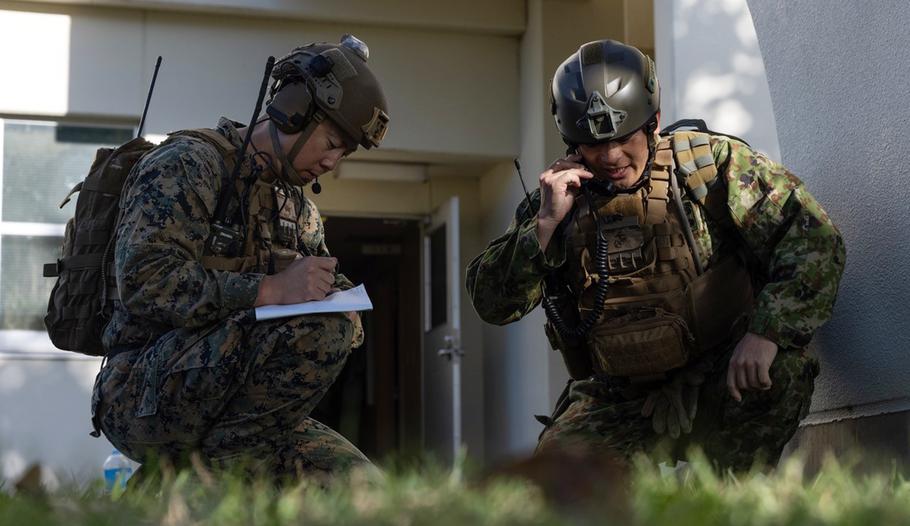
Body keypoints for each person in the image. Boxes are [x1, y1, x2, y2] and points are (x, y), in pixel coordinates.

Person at [466, 39, 845, 471]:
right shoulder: (556, 200)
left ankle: (735, 506)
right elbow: (491, 303)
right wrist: (546, 226)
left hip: (722, 374)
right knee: (554, 483)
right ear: (571, 143)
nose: (610, 156)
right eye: (592, 144)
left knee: (782, 375)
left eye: (624, 137)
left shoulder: (708, 166)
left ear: (654, 122)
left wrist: (767, 334)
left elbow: (814, 239)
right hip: (618, 396)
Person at [92, 35, 390, 479]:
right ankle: (219, 484)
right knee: (322, 329)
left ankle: (201, 476)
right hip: (140, 391)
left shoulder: (296, 208)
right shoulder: (189, 165)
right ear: (292, 110)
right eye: (330, 143)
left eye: (342, 154)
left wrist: (338, 303)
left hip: (234, 407)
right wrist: (270, 290)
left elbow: (333, 297)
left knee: (361, 487)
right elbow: (145, 282)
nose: (332, 163)